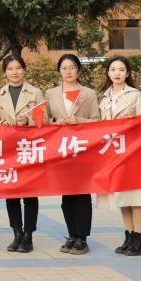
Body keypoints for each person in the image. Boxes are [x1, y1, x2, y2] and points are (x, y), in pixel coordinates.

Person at [44, 54, 101, 255]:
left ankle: (82, 237)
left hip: (83, 149)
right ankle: (71, 234)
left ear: (78, 70)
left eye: (72, 67)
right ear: (59, 71)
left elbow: (97, 121)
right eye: (64, 68)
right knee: (67, 195)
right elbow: (44, 120)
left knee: (82, 194)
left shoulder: (89, 93)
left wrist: (80, 120)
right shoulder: (50, 93)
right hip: (61, 150)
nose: (68, 71)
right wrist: (54, 122)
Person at [96, 56, 141, 257]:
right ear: (108, 73)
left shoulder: (135, 95)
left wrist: (133, 120)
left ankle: (138, 240)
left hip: (132, 153)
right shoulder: (103, 97)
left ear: (127, 73)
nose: (117, 73)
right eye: (113, 69)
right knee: (122, 197)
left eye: (121, 69)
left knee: (136, 197)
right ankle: (128, 236)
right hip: (112, 154)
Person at [0, 53, 43, 253]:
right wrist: (1, 123)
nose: (15, 72)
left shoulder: (35, 93)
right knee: (11, 193)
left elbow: (44, 120)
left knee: (30, 194)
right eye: (10, 69)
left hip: (28, 149)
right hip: (8, 150)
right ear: (5, 72)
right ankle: (17, 233)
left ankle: (28, 235)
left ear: (24, 70)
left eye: (18, 68)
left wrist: (28, 121)